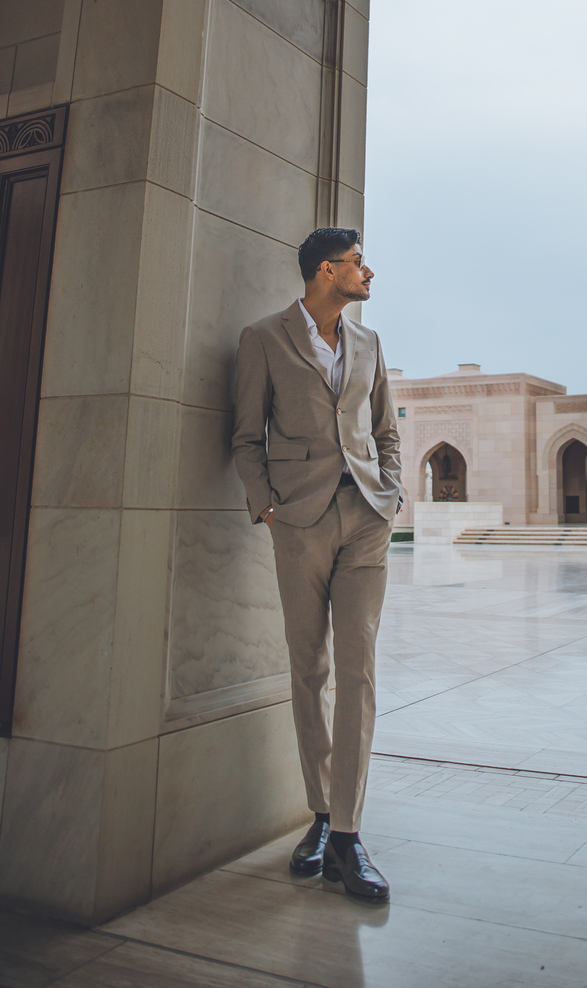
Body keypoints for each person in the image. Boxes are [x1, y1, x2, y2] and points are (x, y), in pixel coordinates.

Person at [232, 227, 402, 902]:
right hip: (298, 522)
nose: (369, 273)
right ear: (327, 271)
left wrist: (390, 495)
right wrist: (266, 507)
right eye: (360, 263)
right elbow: (247, 437)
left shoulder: (369, 343)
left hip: (366, 520)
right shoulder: (264, 339)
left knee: (357, 673)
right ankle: (322, 816)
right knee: (311, 669)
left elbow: (386, 428)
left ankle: (349, 837)